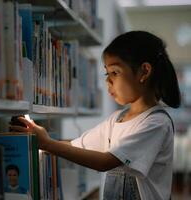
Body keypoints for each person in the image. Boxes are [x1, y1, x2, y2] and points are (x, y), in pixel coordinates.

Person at [10, 31, 181, 200]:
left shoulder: (156, 123)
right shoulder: (116, 119)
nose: (108, 81)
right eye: (107, 73)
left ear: (144, 72)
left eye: (115, 72)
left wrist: (48, 144)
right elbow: (79, 145)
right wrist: (41, 140)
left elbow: (105, 162)